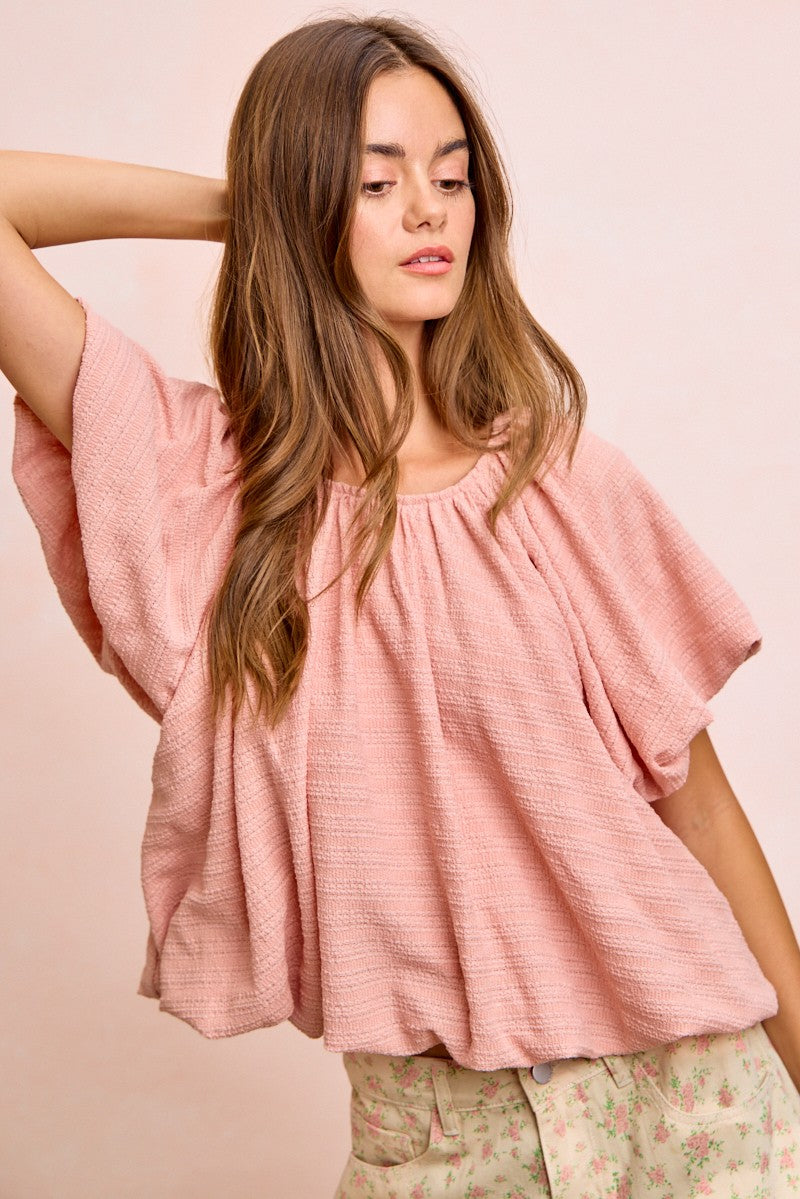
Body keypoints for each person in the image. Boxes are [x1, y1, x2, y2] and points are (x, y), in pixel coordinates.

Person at [3, 13, 799, 1197]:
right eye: (376, 181)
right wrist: (259, 204)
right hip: (434, 1134)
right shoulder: (205, 493)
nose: (428, 210)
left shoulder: (561, 484)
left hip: (694, 1100)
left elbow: (701, 811)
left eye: (450, 177)